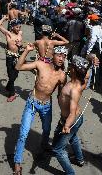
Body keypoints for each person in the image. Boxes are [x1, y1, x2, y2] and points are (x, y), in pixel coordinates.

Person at [13, 45, 68, 175]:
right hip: (32, 103)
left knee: (47, 130)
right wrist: (26, 50)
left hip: (47, 106)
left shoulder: (62, 76)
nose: (61, 58)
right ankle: (17, 162)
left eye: (64, 56)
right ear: (53, 55)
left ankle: (43, 147)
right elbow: (18, 67)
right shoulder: (40, 65)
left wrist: (65, 113)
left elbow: (61, 96)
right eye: (59, 55)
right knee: (23, 134)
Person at [52, 55, 90, 175]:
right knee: (73, 138)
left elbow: (72, 113)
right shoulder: (80, 80)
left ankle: (70, 173)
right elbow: (87, 67)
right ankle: (79, 160)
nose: (69, 67)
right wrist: (92, 57)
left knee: (58, 150)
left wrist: (67, 126)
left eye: (71, 65)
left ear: (74, 70)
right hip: (70, 119)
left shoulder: (75, 89)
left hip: (71, 120)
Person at [0, 16, 23, 102]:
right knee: (10, 75)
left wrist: (21, 45)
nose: (18, 28)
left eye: (19, 27)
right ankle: (12, 94)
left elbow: (21, 46)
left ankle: (9, 86)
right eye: (16, 27)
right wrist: (4, 18)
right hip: (9, 57)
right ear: (12, 27)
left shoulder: (20, 34)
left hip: (17, 57)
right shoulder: (8, 34)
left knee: (15, 74)